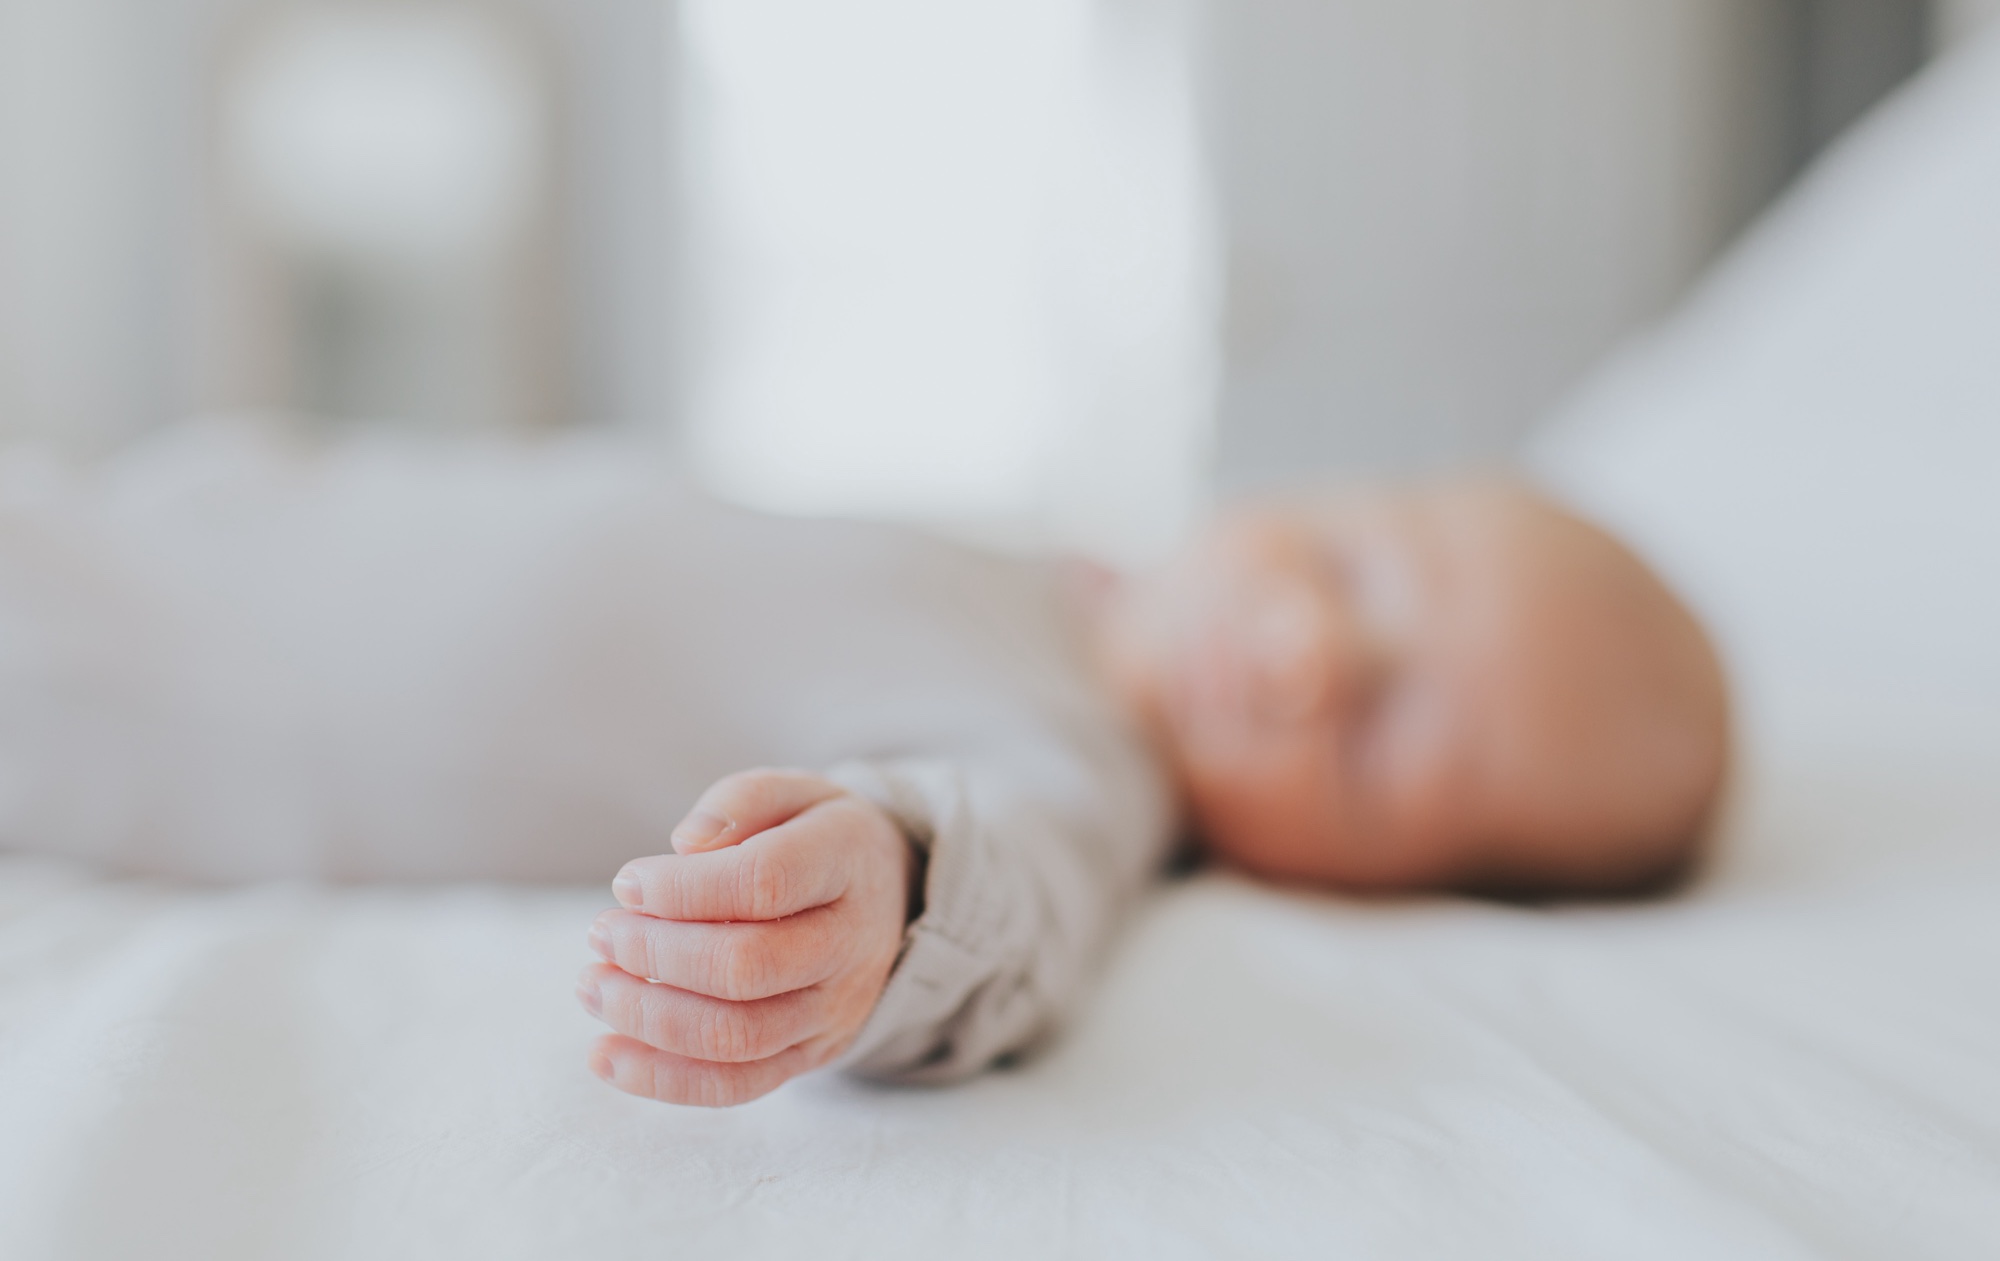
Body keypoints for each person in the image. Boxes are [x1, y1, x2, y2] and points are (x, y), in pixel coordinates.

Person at [0, 420, 1728, 1107]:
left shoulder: (1089, 764)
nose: (1309, 656)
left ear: (1381, 887)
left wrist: (885, 886)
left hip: (152, 697)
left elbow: (1013, 878)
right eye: (1357, 569)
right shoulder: (1038, 579)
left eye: (1384, 736)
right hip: (215, 524)